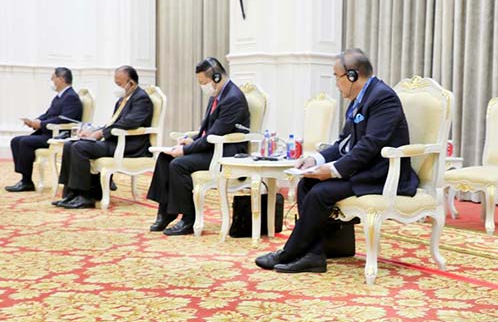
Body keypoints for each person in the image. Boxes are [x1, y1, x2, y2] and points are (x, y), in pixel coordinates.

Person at [255, 48, 419, 273]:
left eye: (337, 76)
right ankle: (313, 256)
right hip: (363, 170)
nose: (336, 83)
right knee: (307, 183)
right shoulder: (359, 100)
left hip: (383, 174)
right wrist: (315, 159)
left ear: (352, 75)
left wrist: (332, 171)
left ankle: (289, 252)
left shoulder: (383, 98)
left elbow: (369, 146)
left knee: (320, 193)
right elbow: (344, 143)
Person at [146, 57, 250, 236]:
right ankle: (166, 213)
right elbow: (208, 132)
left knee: (178, 164)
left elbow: (214, 136)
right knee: (165, 157)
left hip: (226, 153)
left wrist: (185, 150)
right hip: (212, 147)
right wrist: (191, 141)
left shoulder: (233, 99)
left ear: (216, 78)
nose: (202, 86)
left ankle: (188, 219)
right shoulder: (217, 95)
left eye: (203, 82)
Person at [54, 65, 154, 209]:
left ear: (131, 83)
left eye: (119, 84)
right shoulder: (123, 100)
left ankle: (85, 196)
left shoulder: (141, 98)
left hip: (128, 145)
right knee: (70, 144)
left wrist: (100, 133)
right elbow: (112, 123)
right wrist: (92, 131)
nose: (117, 87)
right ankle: (71, 194)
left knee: (80, 147)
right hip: (114, 141)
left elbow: (129, 122)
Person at [6, 67, 82, 192]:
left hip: (59, 135)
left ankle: (26, 182)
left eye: (53, 78)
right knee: (15, 140)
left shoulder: (71, 97)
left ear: (61, 79)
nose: (52, 80)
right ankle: (25, 179)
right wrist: (35, 121)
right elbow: (48, 114)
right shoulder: (60, 97)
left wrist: (41, 124)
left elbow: (64, 119)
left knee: (25, 142)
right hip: (48, 132)